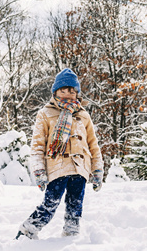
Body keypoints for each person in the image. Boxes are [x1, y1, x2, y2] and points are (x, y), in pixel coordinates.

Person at [16, 68, 103, 239]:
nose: (68, 94)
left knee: (76, 204)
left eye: (72, 91)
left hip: (80, 169)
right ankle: (28, 230)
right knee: (51, 202)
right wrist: (39, 170)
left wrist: (97, 170)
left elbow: (93, 145)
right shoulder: (45, 114)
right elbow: (38, 146)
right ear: (55, 91)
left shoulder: (84, 115)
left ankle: (71, 233)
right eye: (63, 90)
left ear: (77, 94)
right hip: (57, 167)